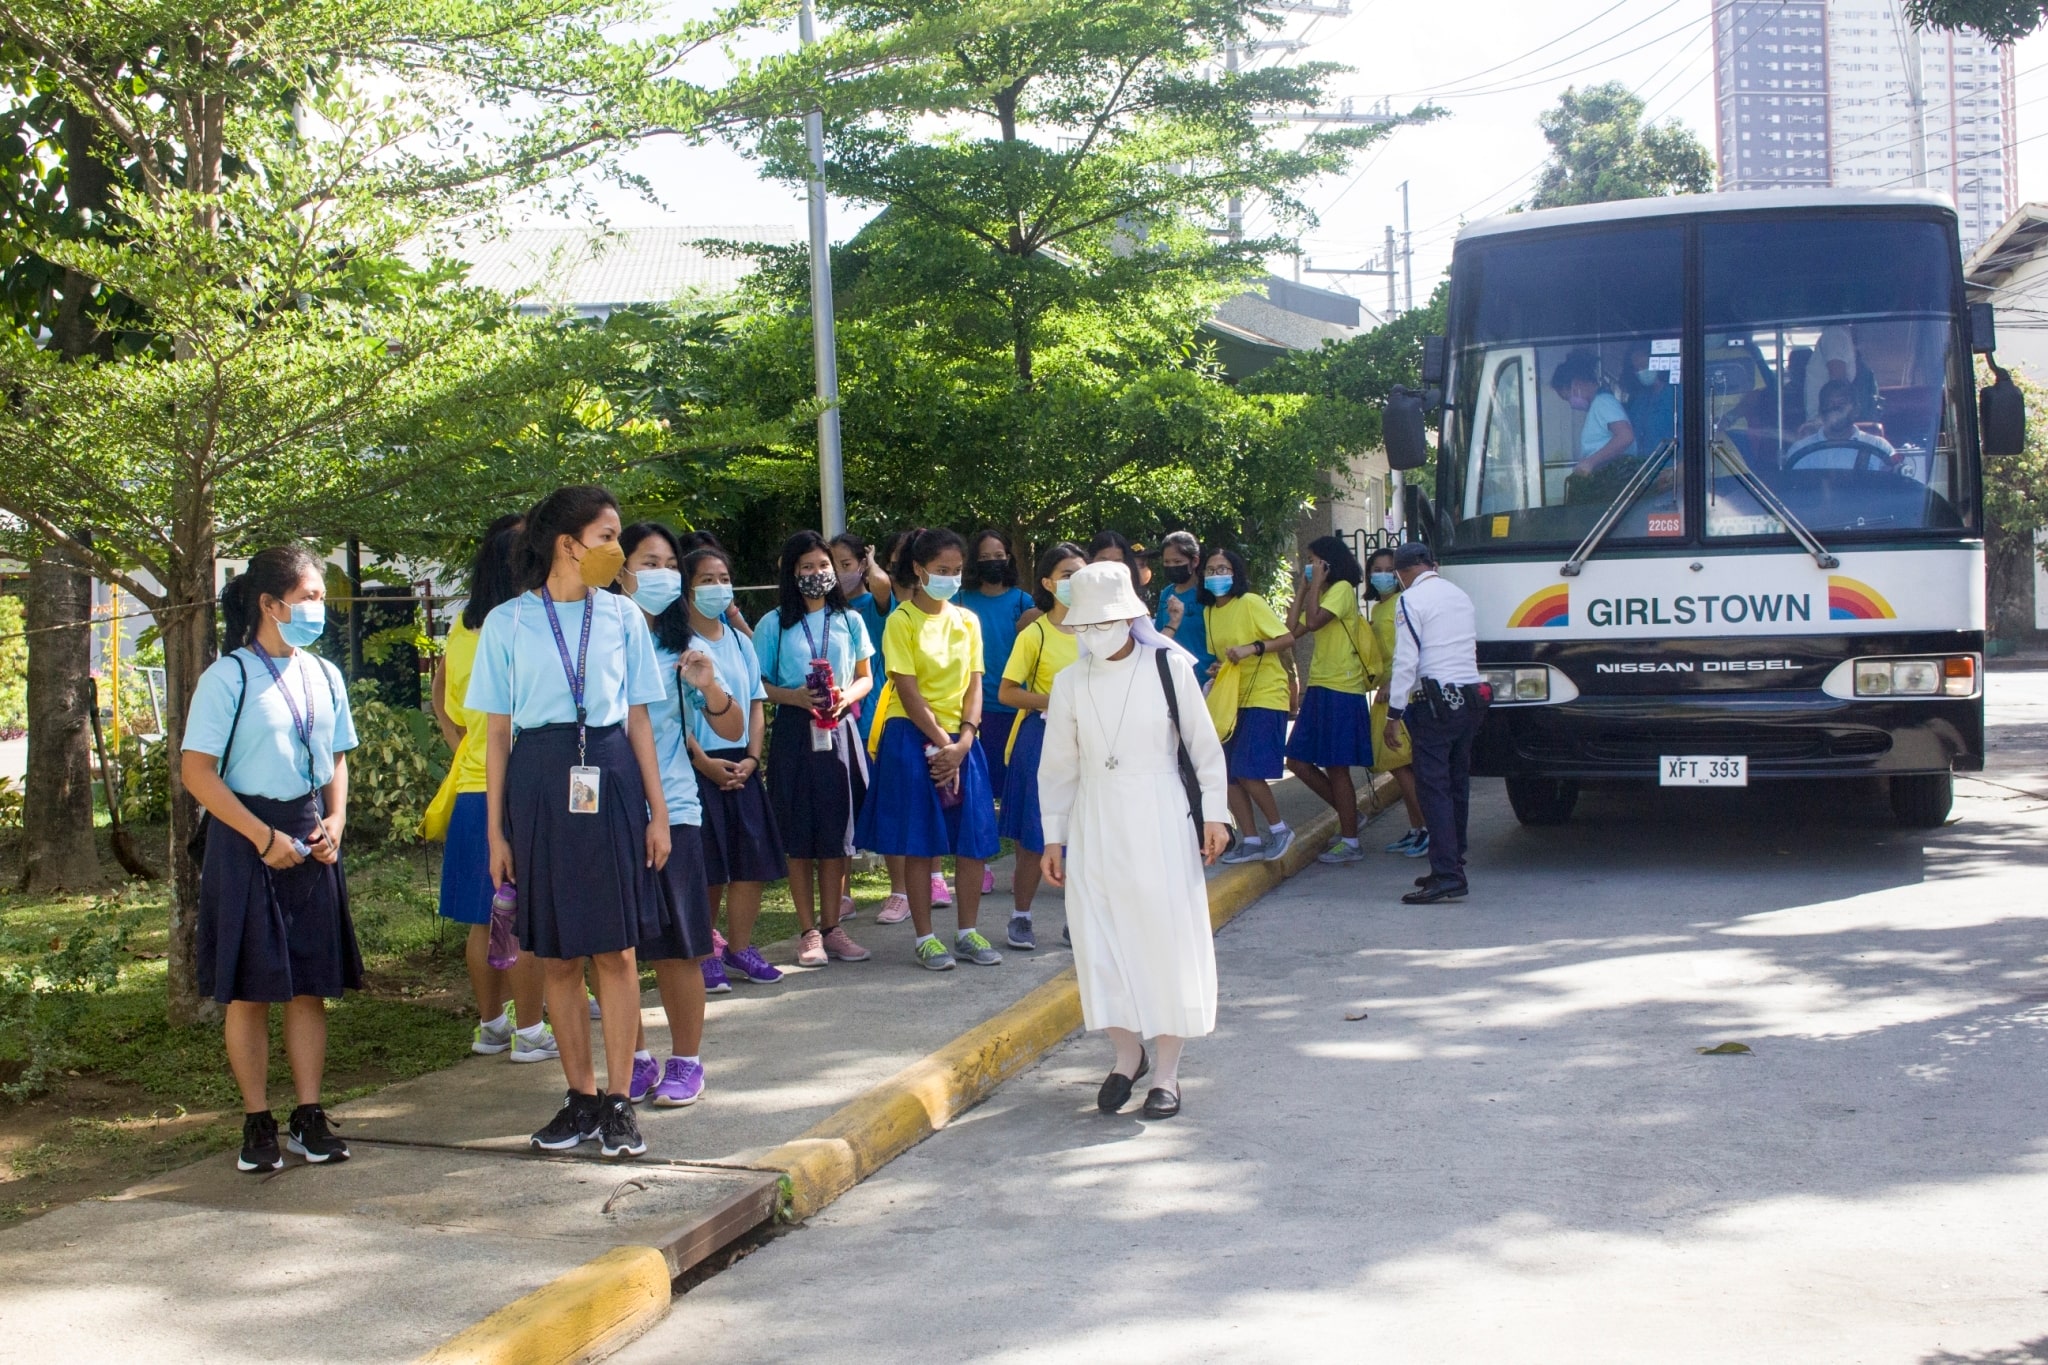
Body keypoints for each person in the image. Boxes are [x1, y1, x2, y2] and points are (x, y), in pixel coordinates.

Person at [470, 484, 672, 1159]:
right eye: (607, 537)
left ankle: (620, 1101)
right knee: (554, 952)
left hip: (609, 771)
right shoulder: (507, 622)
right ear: (567, 544)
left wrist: (657, 811)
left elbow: (640, 718)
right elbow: (497, 734)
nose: (617, 551)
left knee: (616, 949)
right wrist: (498, 829)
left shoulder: (623, 617)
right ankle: (580, 1096)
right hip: (539, 775)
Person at [183, 545, 361, 1174]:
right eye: (309, 597)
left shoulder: (324, 674)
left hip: (312, 838)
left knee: (309, 986)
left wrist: (335, 821)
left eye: (319, 597)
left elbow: (338, 755)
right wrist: (262, 837)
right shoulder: (228, 677)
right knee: (250, 991)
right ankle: (257, 1122)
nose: (319, 608)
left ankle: (309, 1115)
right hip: (245, 839)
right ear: (269, 604)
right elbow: (197, 772)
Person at [1040, 563, 1231, 1121]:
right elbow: (1058, 767)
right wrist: (1055, 836)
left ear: (1131, 617)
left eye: (1103, 622)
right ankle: (1127, 1055)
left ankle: (1167, 1073)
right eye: (1084, 626)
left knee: (1164, 936)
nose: (1092, 634)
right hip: (1094, 817)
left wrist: (1215, 816)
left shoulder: (1170, 665)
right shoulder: (1069, 682)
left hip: (1160, 812)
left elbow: (1203, 746)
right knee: (1101, 940)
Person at [616, 523, 745, 1109]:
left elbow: (731, 728)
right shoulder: (597, 639)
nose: (664, 574)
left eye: (671, 563)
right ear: (621, 571)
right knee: (614, 948)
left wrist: (710, 684)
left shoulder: (685, 647)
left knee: (678, 943)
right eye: (650, 562)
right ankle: (635, 1058)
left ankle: (687, 1061)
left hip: (674, 811)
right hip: (607, 814)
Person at [428, 515, 555, 1065]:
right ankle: (530, 1031)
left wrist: (461, 740)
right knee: (525, 916)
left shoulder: (463, 626)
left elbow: (442, 696)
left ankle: (492, 1026)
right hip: (519, 785)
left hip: (472, 786)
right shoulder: (521, 625)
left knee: (486, 917)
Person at [854, 527, 1003, 970]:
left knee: (973, 840)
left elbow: (976, 683)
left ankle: (968, 933)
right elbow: (905, 687)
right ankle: (925, 938)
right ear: (919, 570)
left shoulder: (967, 620)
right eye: (942, 570)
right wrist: (943, 744)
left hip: (961, 739)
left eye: (957, 571)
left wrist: (964, 741)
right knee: (920, 841)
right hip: (912, 736)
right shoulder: (901, 620)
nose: (951, 578)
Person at [753, 531, 874, 968]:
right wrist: (796, 697)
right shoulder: (773, 623)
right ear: (791, 572)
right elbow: (759, 685)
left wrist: (847, 697)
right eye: (806, 567)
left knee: (837, 836)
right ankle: (807, 932)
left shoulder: (850, 621)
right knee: (800, 837)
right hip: (794, 733)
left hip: (840, 731)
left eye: (823, 566)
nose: (817, 574)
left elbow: (866, 676)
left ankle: (833, 927)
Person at [680, 544, 789, 989]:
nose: (717, 587)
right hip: (697, 766)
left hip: (741, 763)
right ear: (686, 588)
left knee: (751, 862)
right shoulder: (677, 643)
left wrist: (751, 757)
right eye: (706, 579)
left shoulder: (742, 641)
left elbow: (756, 703)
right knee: (708, 866)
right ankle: (705, 953)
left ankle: (740, 948)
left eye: (723, 578)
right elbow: (671, 714)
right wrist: (703, 762)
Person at [995, 542, 1087, 950]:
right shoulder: (1035, 633)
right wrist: (1056, 700)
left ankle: (1079, 918)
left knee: (1086, 833)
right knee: (1036, 834)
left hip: (1091, 742)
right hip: (1042, 739)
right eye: (1067, 575)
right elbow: (1008, 692)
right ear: (1048, 583)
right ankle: (1022, 916)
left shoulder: (1099, 630)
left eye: (1081, 574)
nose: (1075, 582)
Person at [1381, 542, 1484, 905]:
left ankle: (1447, 874)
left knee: (1433, 788)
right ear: (1432, 565)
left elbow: (1406, 660)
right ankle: (1451, 861)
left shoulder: (1410, 601)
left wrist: (1394, 715)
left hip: (1434, 702)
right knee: (1457, 784)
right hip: (1470, 697)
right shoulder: (1459, 595)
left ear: (1403, 572)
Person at [1201, 546, 1299, 864]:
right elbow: (1224, 655)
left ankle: (1279, 829)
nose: (1217, 575)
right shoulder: (1209, 612)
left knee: (1249, 770)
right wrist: (1220, 667)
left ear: (1236, 573)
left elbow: (1286, 639)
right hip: (1233, 700)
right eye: (1211, 570)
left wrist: (1252, 648)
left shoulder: (1251, 602)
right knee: (1228, 772)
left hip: (1265, 696)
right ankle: (1252, 838)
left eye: (1223, 568)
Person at [1284, 535, 1377, 864]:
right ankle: (1349, 814)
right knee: (1296, 760)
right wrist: (1302, 589)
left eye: (1312, 560)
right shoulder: (1321, 592)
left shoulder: (1340, 591)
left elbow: (1312, 622)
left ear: (1327, 563)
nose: (1308, 566)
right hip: (1321, 685)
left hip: (1342, 688)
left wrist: (1317, 586)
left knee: (1337, 768)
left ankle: (1351, 842)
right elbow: (1292, 629)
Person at [955, 529, 1039, 808]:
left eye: (998, 556)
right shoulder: (961, 599)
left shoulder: (1023, 602)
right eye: (985, 557)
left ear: (1009, 558)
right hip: (974, 702)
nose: (992, 562)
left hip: (1014, 703)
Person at [1363, 547, 1428, 856]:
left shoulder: (1405, 603)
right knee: (1399, 768)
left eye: (1390, 569)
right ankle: (1416, 828)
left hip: (1402, 692)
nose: (1383, 575)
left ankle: (1426, 829)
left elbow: (1411, 651)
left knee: (1405, 767)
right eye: (1377, 569)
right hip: (1386, 692)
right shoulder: (1378, 609)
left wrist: (1392, 683)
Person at [1552, 351, 1636, 502]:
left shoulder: (1603, 403)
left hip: (1612, 481)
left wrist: (1590, 462)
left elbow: (1625, 436)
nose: (1571, 403)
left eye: (1568, 397)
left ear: (1576, 384)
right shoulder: (1598, 405)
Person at [1785, 378, 1897, 469]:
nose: (1834, 409)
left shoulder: (1880, 448)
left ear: (1856, 410)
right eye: (1828, 403)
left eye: (1842, 403)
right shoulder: (1800, 451)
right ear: (1820, 411)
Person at [1154, 530, 1213, 679]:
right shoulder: (1166, 594)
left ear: (1194, 561)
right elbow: (1159, 636)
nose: (1171, 566)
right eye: (1167, 562)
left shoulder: (1208, 593)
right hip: (1174, 677)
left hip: (1205, 676)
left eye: (1178, 562)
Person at [1620, 343, 1677, 456]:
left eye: (1644, 365)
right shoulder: (1640, 400)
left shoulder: (1675, 393)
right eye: (1637, 369)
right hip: (1645, 468)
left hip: (1671, 467)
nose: (1641, 371)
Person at [1088, 529, 1152, 593]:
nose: (1110, 568)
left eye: (1117, 562)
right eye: (1104, 561)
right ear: (1091, 560)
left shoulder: (1131, 596)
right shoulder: (1081, 591)